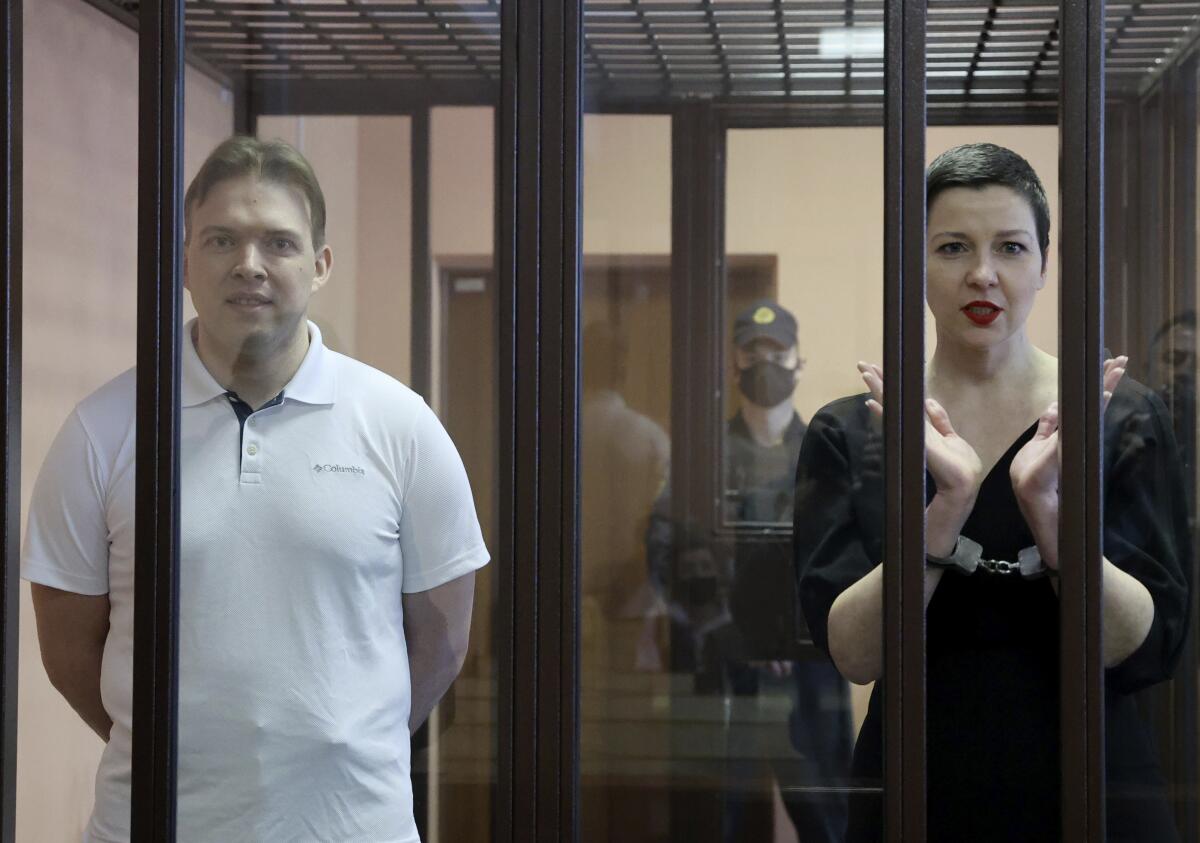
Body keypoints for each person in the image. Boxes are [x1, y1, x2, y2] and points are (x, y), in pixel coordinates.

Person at [23, 137, 489, 843]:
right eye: (221, 240)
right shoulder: (102, 429)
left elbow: (444, 640)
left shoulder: (402, 427)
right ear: (184, 261)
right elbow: (68, 652)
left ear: (320, 263)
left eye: (279, 242)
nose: (249, 265)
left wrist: (339, 742)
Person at [794, 142, 1191, 842]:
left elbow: (1145, 642)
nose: (982, 275)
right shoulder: (852, 431)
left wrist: (1049, 513)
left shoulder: (1120, 416)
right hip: (918, 779)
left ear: (1044, 262)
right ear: (916, 264)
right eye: (952, 248)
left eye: (1010, 247)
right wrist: (945, 509)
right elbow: (855, 654)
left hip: (1091, 776)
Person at [647, 301, 852, 842]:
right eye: (753, 351)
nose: (766, 362)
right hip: (722, 668)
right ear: (734, 365)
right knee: (714, 819)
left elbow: (845, 561)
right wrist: (730, 629)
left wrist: (790, 636)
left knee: (827, 820)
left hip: (808, 672)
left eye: (777, 351)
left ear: (798, 363)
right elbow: (666, 550)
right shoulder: (700, 457)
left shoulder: (827, 453)